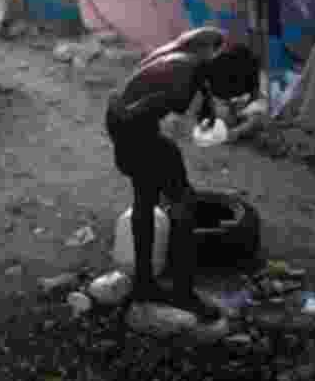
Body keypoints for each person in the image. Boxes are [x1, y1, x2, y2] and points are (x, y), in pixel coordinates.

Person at [105, 26, 260, 313]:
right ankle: (183, 293)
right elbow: (148, 114)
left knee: (146, 195)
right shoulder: (182, 85)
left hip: (118, 109)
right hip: (132, 126)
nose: (227, 99)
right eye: (229, 93)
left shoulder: (204, 42)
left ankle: (144, 283)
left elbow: (197, 81)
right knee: (182, 204)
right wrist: (153, 144)